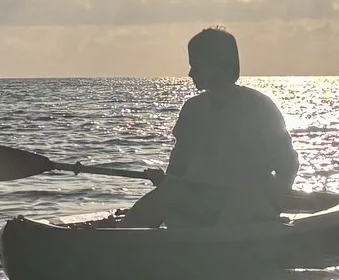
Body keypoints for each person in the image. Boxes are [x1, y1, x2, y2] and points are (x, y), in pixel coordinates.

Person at [123, 27, 298, 227]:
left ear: (217, 64)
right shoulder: (192, 109)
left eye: (196, 65)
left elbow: (287, 165)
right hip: (200, 198)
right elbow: (179, 164)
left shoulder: (259, 106)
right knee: (149, 207)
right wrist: (166, 180)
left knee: (234, 212)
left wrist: (273, 202)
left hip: (246, 201)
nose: (190, 73)